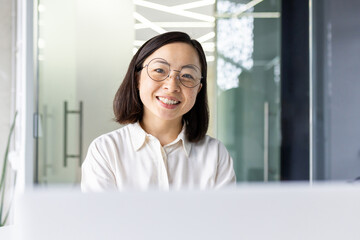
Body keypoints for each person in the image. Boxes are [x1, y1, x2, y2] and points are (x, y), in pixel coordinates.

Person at [81, 31, 236, 192]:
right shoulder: (106, 150)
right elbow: (101, 216)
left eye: (187, 75)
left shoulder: (215, 154)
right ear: (137, 79)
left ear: (198, 89)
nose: (172, 86)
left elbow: (225, 216)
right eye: (160, 70)